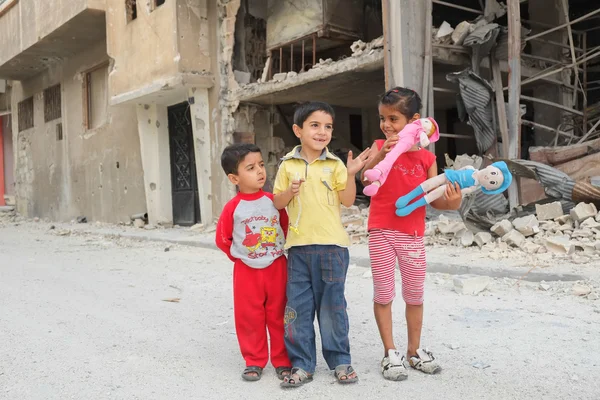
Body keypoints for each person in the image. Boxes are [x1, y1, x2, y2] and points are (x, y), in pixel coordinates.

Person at [361, 87, 463, 381]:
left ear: (415, 121)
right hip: (381, 231)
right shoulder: (380, 145)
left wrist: (453, 201)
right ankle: (389, 351)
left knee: (415, 296)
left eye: (394, 119)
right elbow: (366, 174)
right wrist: (382, 151)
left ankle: (414, 351)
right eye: (383, 118)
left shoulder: (426, 159)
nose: (387, 125)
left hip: (413, 236)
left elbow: (434, 199)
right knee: (383, 293)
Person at [273, 101, 370, 388]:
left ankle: (341, 361)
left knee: (333, 308)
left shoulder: (336, 164)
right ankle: (302, 365)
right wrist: (289, 192)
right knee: (298, 309)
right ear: (298, 130)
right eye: (315, 125)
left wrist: (351, 174)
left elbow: (349, 200)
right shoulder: (287, 165)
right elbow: (277, 201)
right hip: (299, 249)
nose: (322, 132)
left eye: (327, 126)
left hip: (332, 248)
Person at [215, 143, 292, 382]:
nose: (260, 171)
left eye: (261, 165)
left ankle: (282, 360)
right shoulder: (233, 208)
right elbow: (222, 239)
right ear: (234, 177)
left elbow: (285, 227)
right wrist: (242, 257)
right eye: (250, 168)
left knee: (279, 314)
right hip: (246, 272)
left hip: (277, 267)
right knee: (249, 316)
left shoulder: (274, 201)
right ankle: (254, 360)